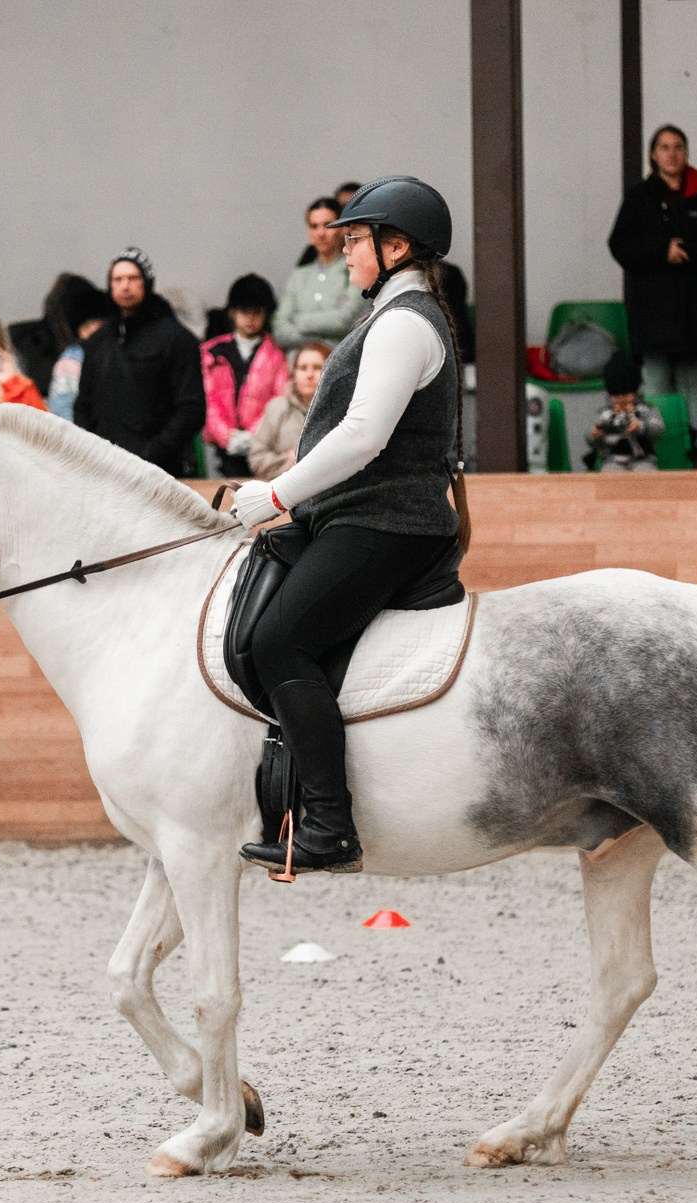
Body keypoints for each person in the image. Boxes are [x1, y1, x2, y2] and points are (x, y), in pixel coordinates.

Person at [228, 176, 465, 876]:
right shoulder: (389, 316)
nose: (343, 250)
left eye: (355, 240)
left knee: (280, 640)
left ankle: (328, 823)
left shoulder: (404, 323)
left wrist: (275, 492)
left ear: (396, 248)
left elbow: (363, 435)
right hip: (353, 513)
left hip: (388, 521)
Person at [606, 125, 697, 429]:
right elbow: (619, 246)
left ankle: (694, 451)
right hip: (652, 314)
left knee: (692, 383)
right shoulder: (638, 198)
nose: (672, 153)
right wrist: (660, 251)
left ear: (686, 152)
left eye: (678, 146)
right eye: (664, 147)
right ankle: (658, 450)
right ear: (653, 154)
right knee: (656, 383)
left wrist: (690, 250)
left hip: (696, 313)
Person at [73, 247, 205, 477]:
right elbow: (83, 405)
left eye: (133, 278)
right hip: (104, 469)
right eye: (118, 279)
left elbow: (191, 409)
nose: (125, 286)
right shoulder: (97, 342)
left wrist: (153, 453)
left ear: (147, 282)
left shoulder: (176, 339)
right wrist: (94, 451)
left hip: (160, 472)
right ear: (110, 285)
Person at [203, 274, 290, 476]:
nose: (250, 318)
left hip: (263, 446)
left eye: (257, 312)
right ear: (232, 312)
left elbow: (279, 398)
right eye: (244, 311)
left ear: (266, 313)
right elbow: (208, 401)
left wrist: (254, 435)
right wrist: (227, 437)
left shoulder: (276, 355)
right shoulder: (211, 352)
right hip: (223, 447)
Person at [274, 198, 365, 351]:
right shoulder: (299, 275)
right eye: (314, 226)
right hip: (301, 368)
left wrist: (298, 320)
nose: (321, 233)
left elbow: (346, 320)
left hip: (341, 364)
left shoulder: (356, 269)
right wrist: (322, 339)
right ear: (308, 230)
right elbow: (279, 328)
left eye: (328, 225)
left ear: (342, 228)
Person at [247, 340, 329, 482]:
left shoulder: (343, 408)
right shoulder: (276, 408)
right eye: (303, 368)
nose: (309, 374)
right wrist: (289, 461)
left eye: (317, 368)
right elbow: (257, 457)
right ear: (294, 374)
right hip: (284, 491)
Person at [585, 351, 665, 472]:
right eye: (616, 395)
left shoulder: (646, 409)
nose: (621, 398)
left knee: (647, 477)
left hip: (643, 460)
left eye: (626, 394)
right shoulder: (605, 414)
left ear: (635, 391)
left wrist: (641, 427)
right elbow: (592, 441)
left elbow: (659, 429)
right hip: (612, 460)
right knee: (609, 477)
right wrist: (594, 435)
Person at [45, 279, 114, 418]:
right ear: (79, 331)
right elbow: (61, 413)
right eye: (87, 327)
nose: (94, 333)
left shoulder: (125, 350)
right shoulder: (70, 361)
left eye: (101, 326)